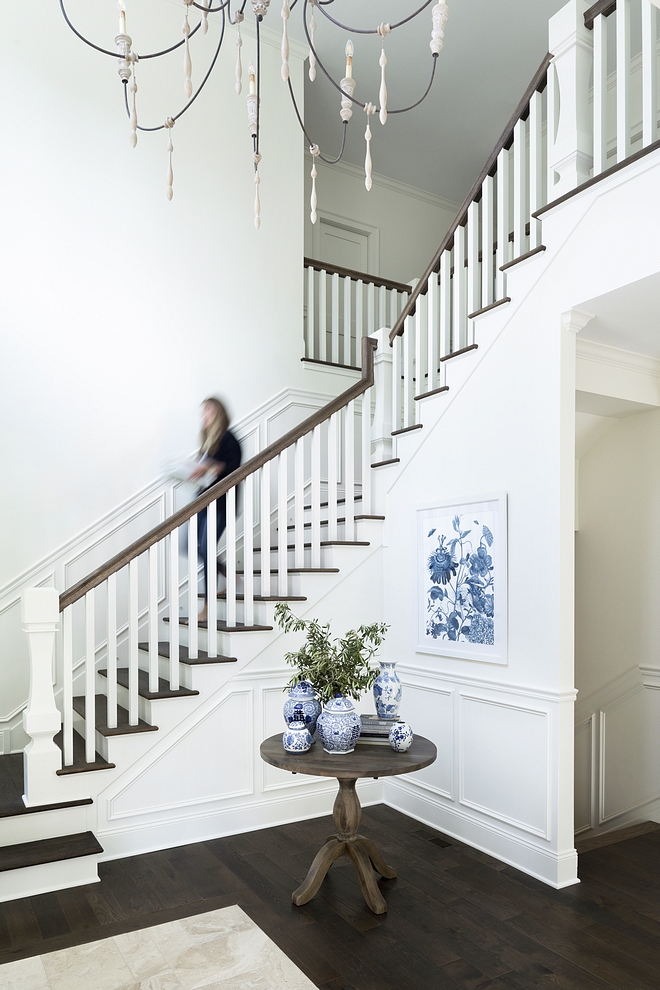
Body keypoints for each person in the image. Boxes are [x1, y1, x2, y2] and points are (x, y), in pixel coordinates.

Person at [189, 397, 242, 623]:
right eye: (203, 412)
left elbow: (234, 469)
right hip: (203, 501)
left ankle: (207, 609)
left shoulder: (228, 438)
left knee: (207, 549)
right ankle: (231, 577)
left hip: (220, 503)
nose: (205, 415)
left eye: (208, 410)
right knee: (194, 547)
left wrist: (212, 466)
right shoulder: (208, 444)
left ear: (219, 412)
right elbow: (207, 471)